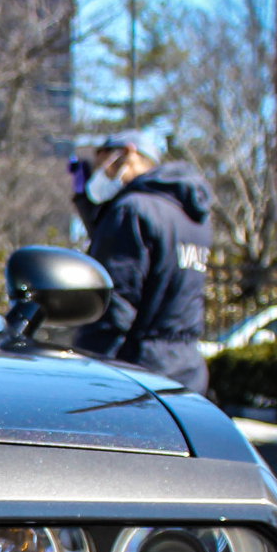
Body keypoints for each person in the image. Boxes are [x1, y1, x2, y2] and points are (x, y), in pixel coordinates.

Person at [66, 128, 215, 393]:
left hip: (137, 372)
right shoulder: (193, 217)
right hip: (187, 371)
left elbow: (114, 302)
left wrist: (86, 368)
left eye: (105, 166)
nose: (105, 174)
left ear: (127, 153)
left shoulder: (132, 210)